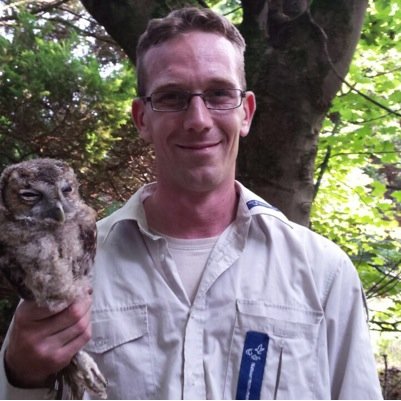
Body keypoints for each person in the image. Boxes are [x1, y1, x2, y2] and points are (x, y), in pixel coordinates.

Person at [0, 6, 383, 400]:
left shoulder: (323, 274)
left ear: (246, 112)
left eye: (219, 93)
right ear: (142, 118)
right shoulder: (65, 264)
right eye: (172, 97)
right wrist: (22, 377)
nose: (198, 119)